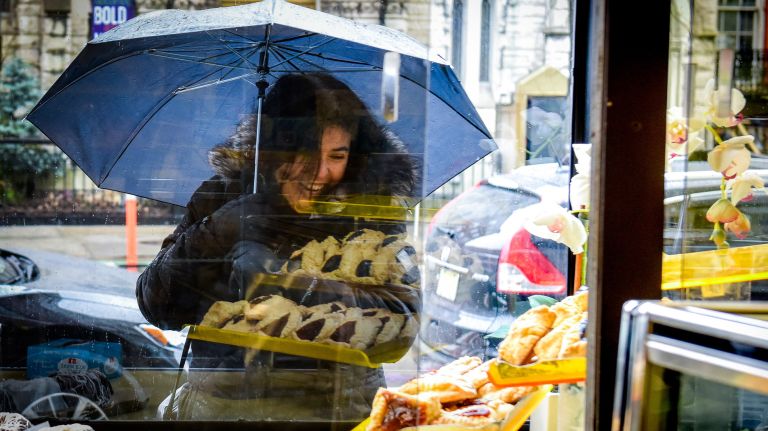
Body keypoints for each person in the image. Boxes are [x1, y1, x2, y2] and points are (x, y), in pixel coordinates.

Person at [136, 73, 419, 421]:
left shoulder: (370, 210)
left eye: (337, 155)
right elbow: (157, 304)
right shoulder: (220, 196)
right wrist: (221, 230)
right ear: (273, 149)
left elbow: (400, 323)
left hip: (331, 414)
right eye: (305, 154)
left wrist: (296, 286)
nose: (320, 172)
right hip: (225, 412)